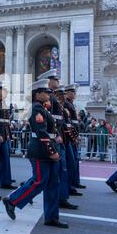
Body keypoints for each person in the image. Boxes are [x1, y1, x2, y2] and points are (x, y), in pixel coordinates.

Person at [2, 79, 68, 228]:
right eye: (45, 92)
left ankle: (51, 217)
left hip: (47, 148)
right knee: (40, 181)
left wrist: (57, 136)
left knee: (53, 184)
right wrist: (52, 151)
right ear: (37, 94)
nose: (48, 94)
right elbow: (41, 132)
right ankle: (12, 200)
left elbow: (51, 128)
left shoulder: (43, 109)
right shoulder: (36, 109)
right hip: (41, 150)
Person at [39, 69, 78, 210]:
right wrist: (56, 135)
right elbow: (49, 121)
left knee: (60, 170)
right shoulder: (48, 99)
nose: (58, 81)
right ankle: (60, 198)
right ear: (49, 81)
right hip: (55, 139)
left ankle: (62, 197)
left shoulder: (53, 98)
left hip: (59, 137)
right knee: (50, 174)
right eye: (55, 79)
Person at [64, 84, 86, 190]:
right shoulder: (66, 104)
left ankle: (75, 181)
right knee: (71, 162)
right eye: (72, 92)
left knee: (75, 161)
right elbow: (69, 123)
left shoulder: (71, 104)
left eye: (74, 92)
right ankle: (71, 184)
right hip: (71, 136)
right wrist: (74, 136)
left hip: (74, 134)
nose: (74, 94)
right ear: (67, 93)